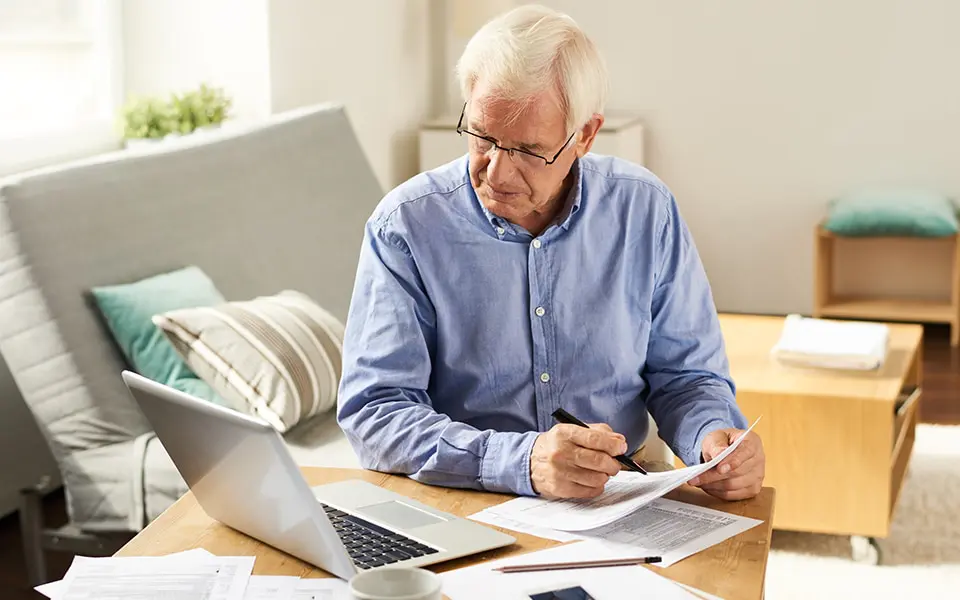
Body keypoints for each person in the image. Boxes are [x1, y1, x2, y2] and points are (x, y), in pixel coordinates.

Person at [337, 5, 765, 501]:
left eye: (528, 150)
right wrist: (520, 462)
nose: (497, 172)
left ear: (584, 135)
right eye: (482, 137)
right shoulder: (406, 226)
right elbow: (376, 410)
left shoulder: (645, 210)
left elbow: (686, 376)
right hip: (466, 496)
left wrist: (711, 437)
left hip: (621, 494)